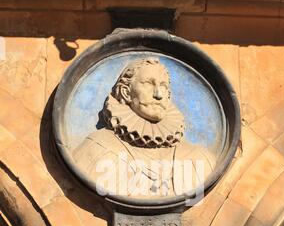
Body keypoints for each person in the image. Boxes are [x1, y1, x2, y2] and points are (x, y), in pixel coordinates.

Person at [73, 58, 215, 198]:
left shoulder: (199, 157)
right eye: (148, 84)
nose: (158, 94)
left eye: (164, 86)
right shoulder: (97, 148)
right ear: (125, 92)